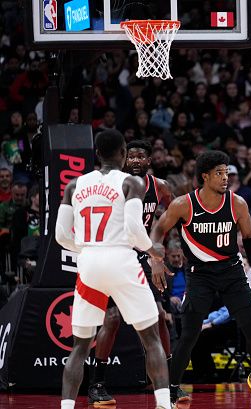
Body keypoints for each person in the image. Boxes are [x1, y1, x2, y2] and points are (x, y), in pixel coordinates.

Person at [55, 130, 170, 409]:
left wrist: (87, 249)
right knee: (151, 337)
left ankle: (67, 406)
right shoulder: (131, 182)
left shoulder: (74, 185)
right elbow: (133, 229)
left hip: (89, 262)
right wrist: (153, 250)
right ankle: (165, 404)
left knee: (80, 346)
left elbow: (60, 235)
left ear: (96, 154)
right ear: (122, 154)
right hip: (121, 258)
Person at [150, 150, 251, 408]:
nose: (225, 177)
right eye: (219, 173)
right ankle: (172, 389)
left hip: (232, 272)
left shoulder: (237, 203)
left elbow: (249, 237)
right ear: (205, 176)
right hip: (199, 275)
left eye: (226, 172)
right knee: (190, 335)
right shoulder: (184, 204)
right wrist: (156, 260)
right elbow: (157, 231)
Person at [88, 140, 173, 406]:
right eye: (131, 156)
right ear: (125, 160)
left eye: (141, 157)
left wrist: (158, 248)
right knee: (112, 318)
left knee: (159, 316)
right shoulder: (115, 184)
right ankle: (97, 384)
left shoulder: (160, 187)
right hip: (118, 253)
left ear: (149, 160)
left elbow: (172, 214)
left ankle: (169, 383)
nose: (135, 161)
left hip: (145, 255)